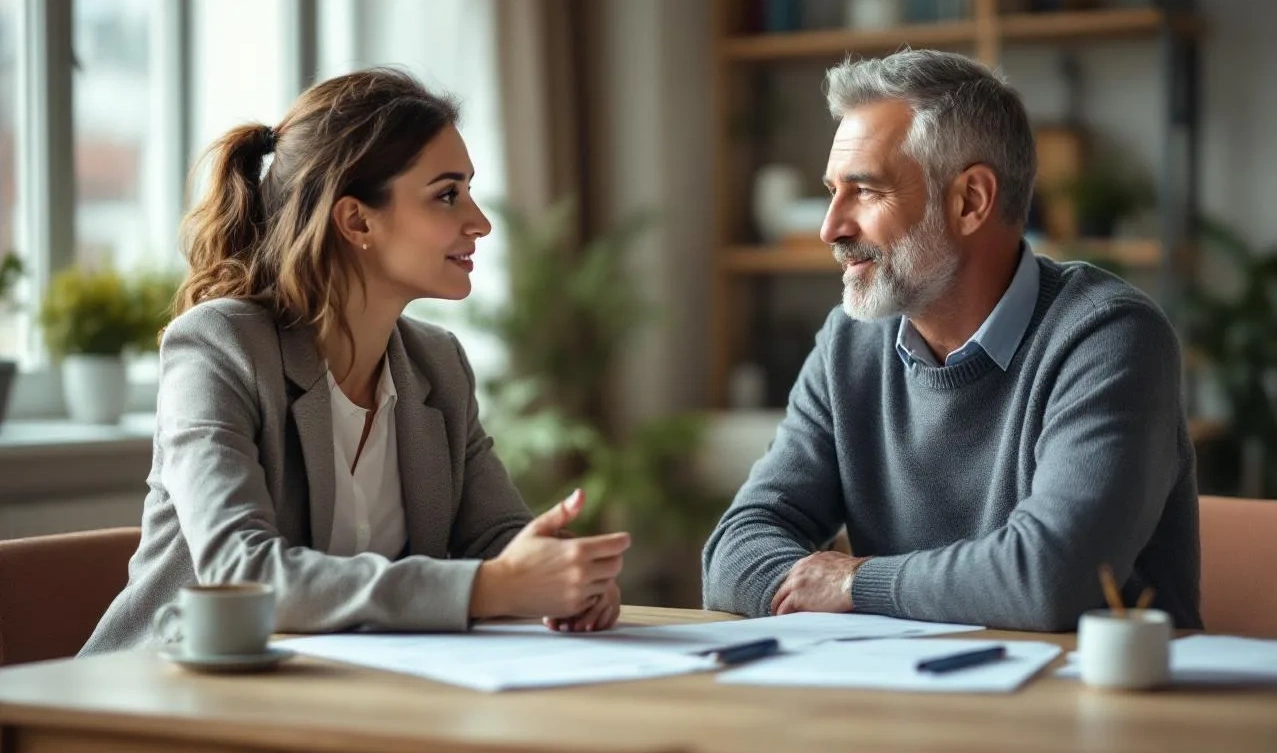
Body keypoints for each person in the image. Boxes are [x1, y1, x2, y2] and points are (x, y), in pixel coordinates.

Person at [83, 68, 628, 654]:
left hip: (336, 698)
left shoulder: (437, 364)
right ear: (356, 220)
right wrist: (490, 588)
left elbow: (494, 537)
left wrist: (562, 574)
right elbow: (240, 572)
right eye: (447, 194)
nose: (480, 222)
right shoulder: (218, 347)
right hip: (163, 700)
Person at [701, 50, 1201, 632]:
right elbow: (733, 552)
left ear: (970, 201)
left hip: (1097, 710)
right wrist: (829, 586)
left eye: (864, 190)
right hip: (911, 703)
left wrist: (854, 583)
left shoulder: (1107, 337)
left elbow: (1050, 579)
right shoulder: (850, 343)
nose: (829, 228)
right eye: (832, 191)